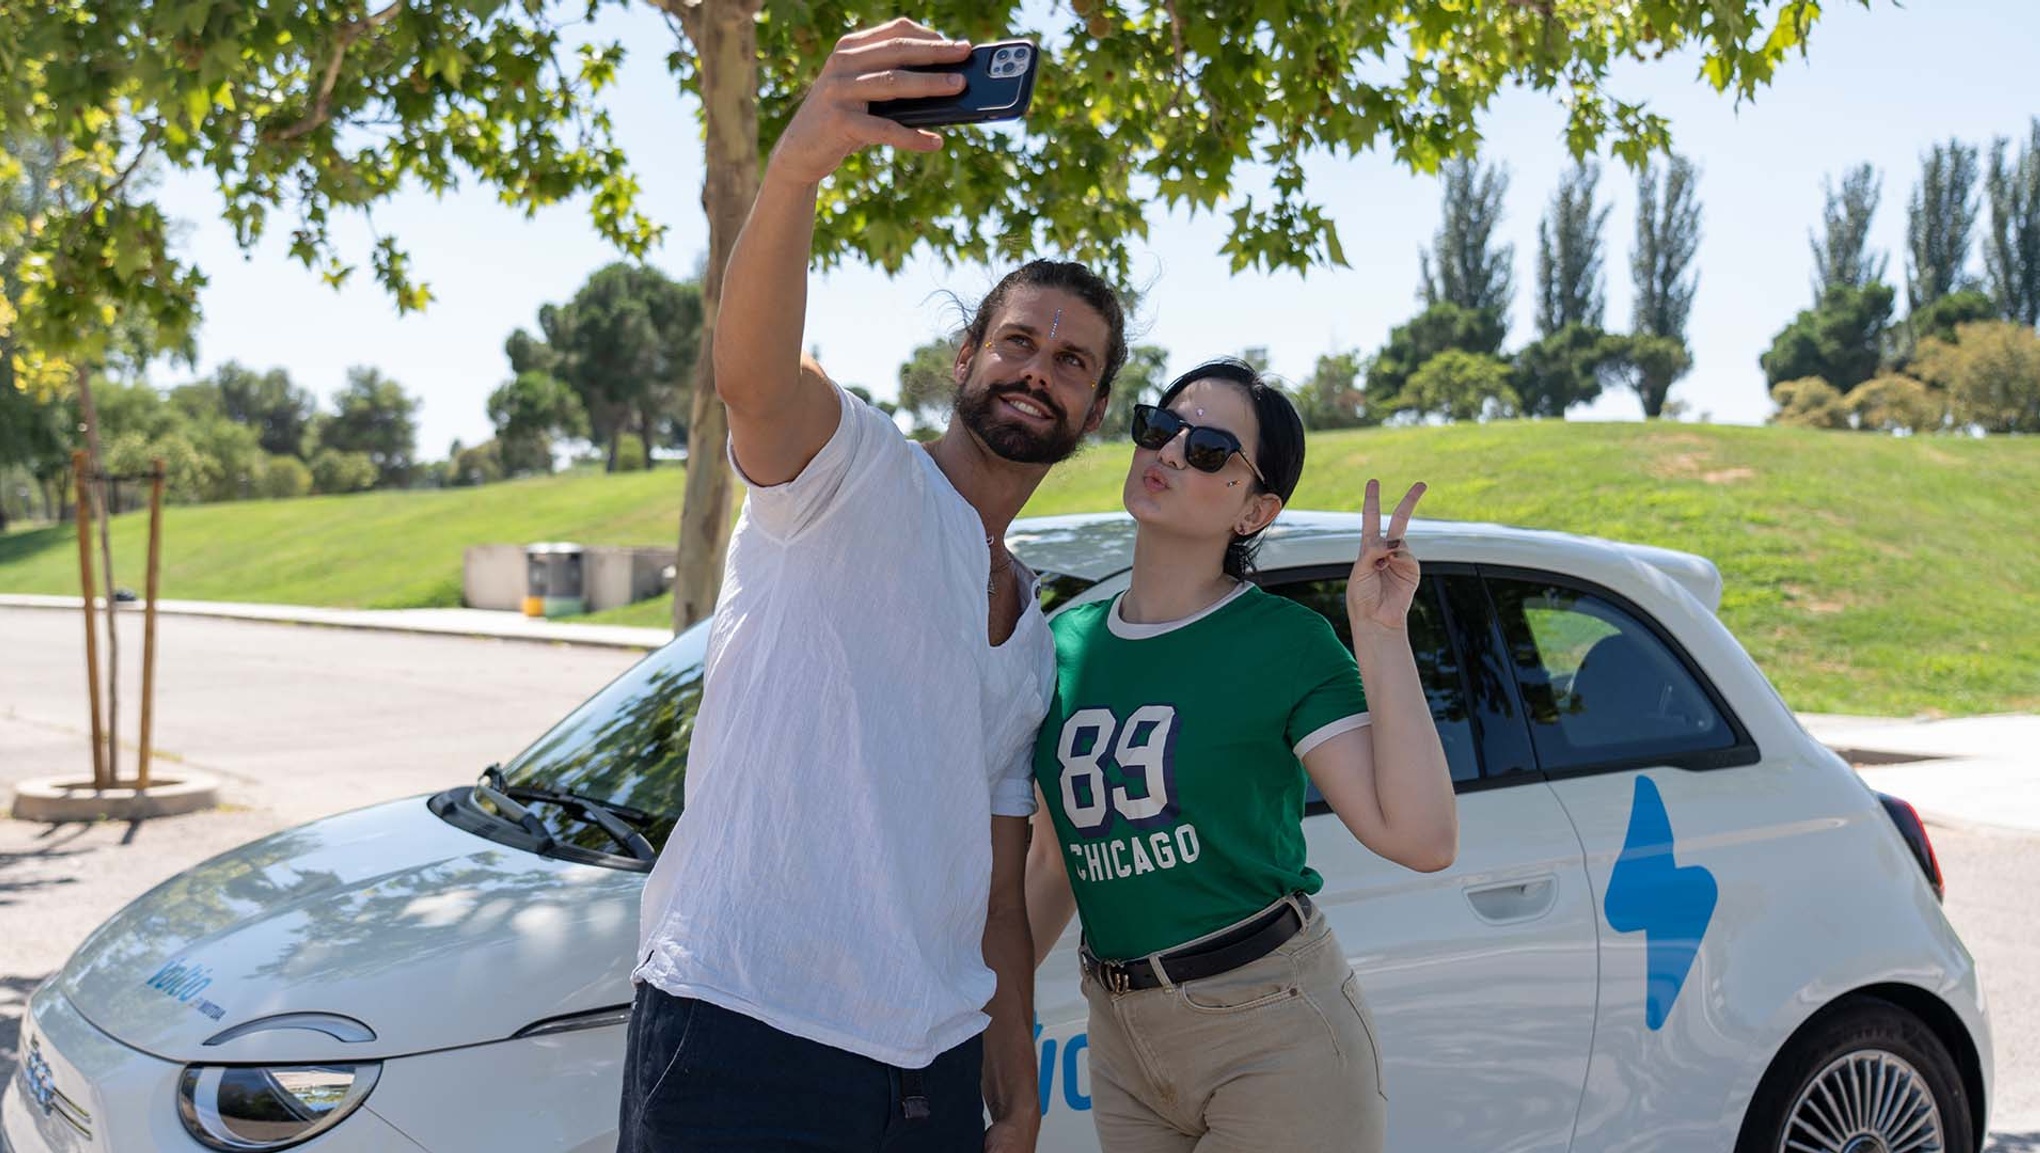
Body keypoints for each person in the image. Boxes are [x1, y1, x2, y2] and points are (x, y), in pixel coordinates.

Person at [619, 18, 1130, 1153]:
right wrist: (800, 159)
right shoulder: (853, 472)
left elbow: (997, 891)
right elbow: (752, 375)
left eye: (1072, 360)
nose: (1038, 370)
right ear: (965, 360)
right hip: (744, 1032)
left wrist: (1016, 1082)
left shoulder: (1034, 635)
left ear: (1093, 414)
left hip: (929, 1074)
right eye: (1016, 342)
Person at [1024, 358, 1459, 1152]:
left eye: (1210, 449)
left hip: (1274, 1029)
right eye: (1161, 428)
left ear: (1256, 509)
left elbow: (1422, 837)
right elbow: (1057, 864)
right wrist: (988, 1008)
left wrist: (1382, 630)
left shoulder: (1285, 644)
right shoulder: (1059, 648)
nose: (1168, 452)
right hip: (1119, 1038)